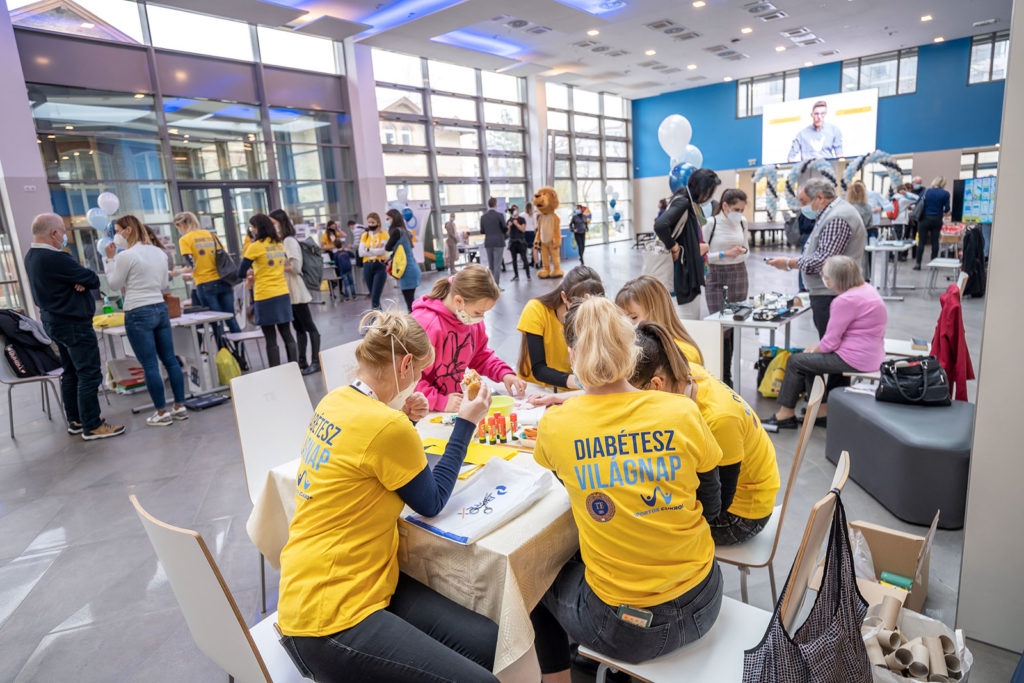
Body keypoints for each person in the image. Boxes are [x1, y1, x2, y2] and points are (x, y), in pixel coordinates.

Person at [277, 309, 500, 683]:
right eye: (420, 373)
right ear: (406, 364)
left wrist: (406, 420)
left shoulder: (334, 401)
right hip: (329, 618)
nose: (419, 382)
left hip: (326, 580)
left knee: (489, 641)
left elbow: (365, 458)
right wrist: (465, 423)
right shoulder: (387, 426)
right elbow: (431, 502)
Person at [529, 297, 723, 680]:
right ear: (632, 352)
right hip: (704, 600)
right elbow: (711, 505)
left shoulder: (557, 425)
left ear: (572, 356)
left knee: (533, 580)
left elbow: (567, 485)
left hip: (628, 630)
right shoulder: (681, 411)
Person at [631, 321, 779, 545]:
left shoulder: (720, 419)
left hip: (742, 515)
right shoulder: (684, 372)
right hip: (731, 491)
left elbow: (720, 503)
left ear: (656, 384)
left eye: (634, 394)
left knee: (641, 528)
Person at [23, 214, 125, 440]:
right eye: (63, 231)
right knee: (89, 373)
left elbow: (81, 280)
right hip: (73, 324)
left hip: (54, 322)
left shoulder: (31, 256)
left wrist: (78, 280)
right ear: (53, 233)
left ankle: (76, 420)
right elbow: (93, 279)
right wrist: (79, 279)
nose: (65, 236)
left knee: (70, 373)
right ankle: (92, 425)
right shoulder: (56, 258)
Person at [762, 256, 886, 430]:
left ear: (836, 279)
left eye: (826, 277)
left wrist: (814, 349)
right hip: (873, 355)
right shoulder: (867, 289)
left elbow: (830, 343)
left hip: (856, 359)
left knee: (796, 361)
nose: (824, 279)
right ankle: (821, 411)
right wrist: (815, 351)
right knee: (809, 362)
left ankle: (785, 414)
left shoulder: (844, 301)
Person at [104, 215, 188, 426]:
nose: (116, 235)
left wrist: (109, 260)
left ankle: (161, 412)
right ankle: (180, 406)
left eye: (118, 230)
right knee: (170, 359)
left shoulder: (125, 256)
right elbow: (163, 283)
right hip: (159, 307)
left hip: (137, 310)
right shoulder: (159, 252)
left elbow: (114, 284)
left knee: (150, 364)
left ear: (128, 231)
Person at [411, 265, 526, 412]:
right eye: (478, 312)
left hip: (452, 405)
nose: (481, 318)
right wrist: (440, 401)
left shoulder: (470, 320)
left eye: (484, 313)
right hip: (423, 409)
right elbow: (407, 378)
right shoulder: (426, 324)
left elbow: (480, 356)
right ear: (459, 301)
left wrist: (504, 373)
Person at [766, 178, 866, 338]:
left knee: (832, 345)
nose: (802, 206)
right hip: (830, 291)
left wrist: (788, 263)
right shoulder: (832, 213)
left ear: (820, 197)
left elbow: (823, 261)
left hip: (831, 294)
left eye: (803, 201)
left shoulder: (838, 217)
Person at [516, 265, 604, 390]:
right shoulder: (536, 310)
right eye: (579, 306)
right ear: (564, 297)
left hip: (575, 390)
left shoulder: (596, 315)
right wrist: (581, 382)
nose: (585, 313)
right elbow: (539, 369)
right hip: (537, 388)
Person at [654, 168, 719, 320]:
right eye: (710, 192)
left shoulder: (688, 201)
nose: (710, 197)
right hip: (683, 275)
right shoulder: (683, 201)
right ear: (703, 189)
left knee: (688, 318)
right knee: (687, 320)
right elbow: (660, 225)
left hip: (687, 273)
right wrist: (674, 247)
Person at [703, 189, 749, 387]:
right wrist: (724, 254)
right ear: (725, 206)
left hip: (739, 275)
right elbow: (703, 255)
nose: (739, 213)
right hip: (716, 276)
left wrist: (741, 252)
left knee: (734, 325)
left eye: (742, 209)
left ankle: (728, 375)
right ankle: (720, 374)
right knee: (721, 326)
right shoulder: (711, 224)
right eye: (736, 209)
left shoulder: (742, 222)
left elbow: (747, 250)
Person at [238, 214, 296, 367]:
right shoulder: (278, 244)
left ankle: (275, 371)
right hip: (282, 293)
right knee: (287, 333)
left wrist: (251, 273)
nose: (252, 230)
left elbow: (240, 272)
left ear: (258, 228)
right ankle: (294, 368)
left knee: (270, 338)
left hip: (265, 295)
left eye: (252, 227)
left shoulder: (255, 247)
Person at [174, 211, 240, 344]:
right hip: (224, 281)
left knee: (216, 322)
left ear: (181, 225)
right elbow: (220, 256)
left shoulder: (185, 240)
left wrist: (178, 272)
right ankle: (240, 352)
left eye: (178, 227)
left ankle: (223, 353)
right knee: (231, 318)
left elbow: (191, 264)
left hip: (205, 284)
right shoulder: (211, 235)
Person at [615, 275, 705, 369]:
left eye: (633, 317)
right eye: (621, 319)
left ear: (658, 313)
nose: (626, 325)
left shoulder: (684, 354)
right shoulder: (629, 349)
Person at [272, 209, 321, 376]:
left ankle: (316, 361)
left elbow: (295, 267)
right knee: (299, 328)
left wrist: (275, 266)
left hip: (296, 290)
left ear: (280, 223)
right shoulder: (282, 241)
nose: (272, 226)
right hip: (289, 291)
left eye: (274, 223)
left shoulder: (289, 241)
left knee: (309, 326)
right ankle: (302, 361)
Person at [385, 208, 422, 312]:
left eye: (388, 219)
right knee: (411, 302)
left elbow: (387, 247)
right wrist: (390, 257)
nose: (387, 221)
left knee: (410, 304)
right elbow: (401, 251)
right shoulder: (404, 231)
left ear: (394, 218)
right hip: (412, 268)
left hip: (406, 270)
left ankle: (415, 321)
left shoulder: (396, 231)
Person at [913, 176, 951, 270]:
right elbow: (947, 209)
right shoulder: (945, 194)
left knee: (921, 242)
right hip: (937, 219)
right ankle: (933, 264)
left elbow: (917, 204)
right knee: (935, 241)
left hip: (924, 219)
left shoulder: (926, 191)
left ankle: (918, 264)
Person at [359, 212, 389, 309]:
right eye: (369, 223)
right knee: (373, 296)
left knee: (375, 296)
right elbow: (361, 253)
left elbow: (383, 250)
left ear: (378, 223)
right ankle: (379, 316)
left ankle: (376, 316)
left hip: (379, 265)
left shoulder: (383, 234)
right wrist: (375, 251)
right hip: (367, 265)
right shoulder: (365, 235)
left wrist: (368, 250)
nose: (371, 225)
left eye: (373, 222)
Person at [846, 181, 875, 281]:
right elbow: (870, 224)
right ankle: (864, 279)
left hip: (850, 237)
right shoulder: (868, 207)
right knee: (863, 260)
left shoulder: (848, 208)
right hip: (863, 236)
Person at [479, 197, 507, 286]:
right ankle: (496, 286)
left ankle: (491, 286)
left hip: (489, 242)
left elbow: (482, 231)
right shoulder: (500, 215)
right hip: (499, 242)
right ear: (496, 204)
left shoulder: (483, 217)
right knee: (497, 265)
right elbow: (505, 228)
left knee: (491, 265)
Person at [508, 213, 531, 281]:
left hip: (521, 242)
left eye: (515, 209)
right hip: (512, 242)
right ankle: (516, 275)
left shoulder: (522, 219)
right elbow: (507, 232)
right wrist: (509, 226)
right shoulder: (509, 220)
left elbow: (523, 230)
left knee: (524, 258)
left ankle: (528, 275)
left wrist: (516, 224)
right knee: (514, 260)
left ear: (517, 210)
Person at [522, 202, 538, 266]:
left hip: (525, 233)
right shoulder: (534, 215)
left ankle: (525, 264)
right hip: (532, 233)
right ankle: (536, 263)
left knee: (524, 249)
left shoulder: (522, 215)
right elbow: (536, 226)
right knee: (534, 249)